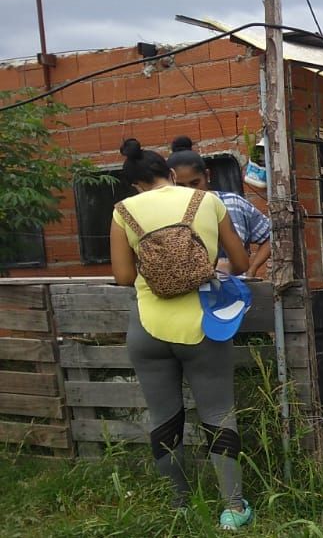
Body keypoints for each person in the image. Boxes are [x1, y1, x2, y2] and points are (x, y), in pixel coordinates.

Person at [108, 138, 254, 530]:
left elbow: (123, 276)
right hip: (203, 326)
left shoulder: (124, 210)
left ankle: (180, 503)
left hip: (147, 328)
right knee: (218, 414)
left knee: (163, 417)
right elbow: (240, 262)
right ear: (171, 174)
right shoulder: (207, 201)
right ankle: (233, 508)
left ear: (135, 184)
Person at [167, 136, 272, 278]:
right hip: (189, 296)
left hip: (235, 293)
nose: (190, 192)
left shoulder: (233, 203)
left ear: (207, 176)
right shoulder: (166, 212)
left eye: (195, 183)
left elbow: (269, 235)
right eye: (181, 186)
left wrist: (252, 270)